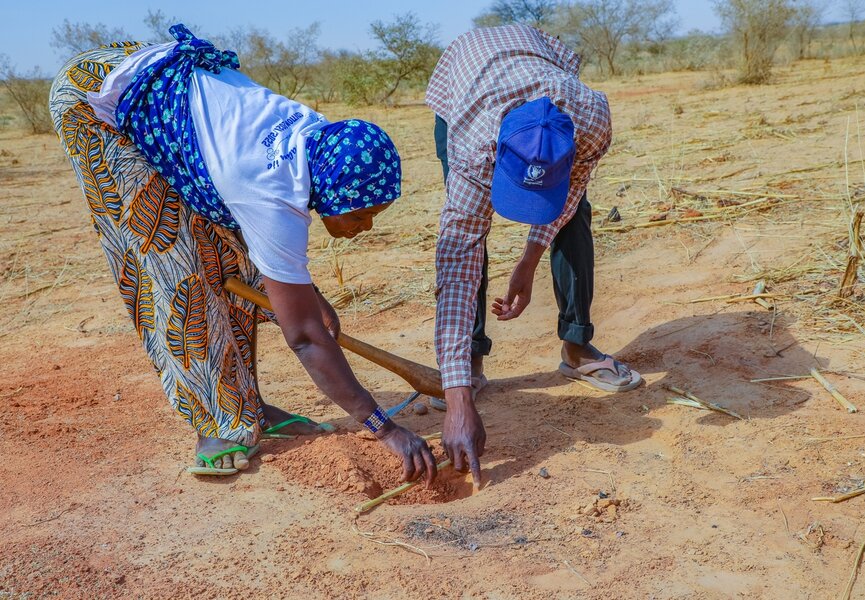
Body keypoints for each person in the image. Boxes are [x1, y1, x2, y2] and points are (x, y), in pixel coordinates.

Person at [50, 25, 437, 483]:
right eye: (360, 215)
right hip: (95, 100)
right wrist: (384, 427)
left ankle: (247, 406)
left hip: (158, 85)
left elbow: (267, 258)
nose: (363, 228)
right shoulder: (269, 192)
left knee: (231, 261)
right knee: (181, 268)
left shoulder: (315, 141)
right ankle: (217, 424)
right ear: (332, 192)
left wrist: (310, 299)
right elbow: (306, 339)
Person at [426, 25, 643, 487]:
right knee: (469, 238)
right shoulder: (474, 143)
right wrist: (457, 397)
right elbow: (456, 260)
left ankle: (577, 344)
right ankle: (470, 361)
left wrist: (527, 262)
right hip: (467, 82)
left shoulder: (590, 122)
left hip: (537, 67)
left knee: (575, 214)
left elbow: (567, 196)